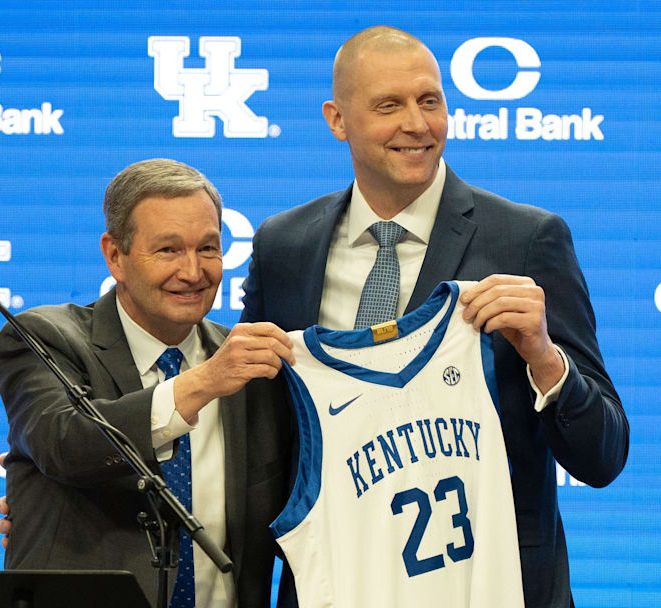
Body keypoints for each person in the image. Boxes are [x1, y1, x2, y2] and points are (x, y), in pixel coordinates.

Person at [238, 26, 629, 607]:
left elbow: (604, 457)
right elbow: (263, 436)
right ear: (337, 119)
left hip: (489, 585)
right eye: (388, 106)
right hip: (337, 582)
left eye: (430, 101)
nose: (417, 125)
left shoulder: (526, 241)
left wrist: (545, 358)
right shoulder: (284, 245)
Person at [0, 158, 294, 608]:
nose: (193, 272)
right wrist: (204, 382)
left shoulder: (252, 370)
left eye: (209, 248)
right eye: (168, 250)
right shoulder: (43, 338)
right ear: (115, 255)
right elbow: (65, 444)